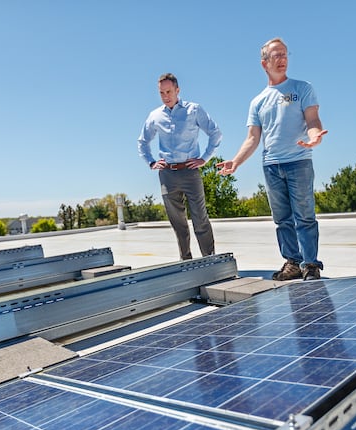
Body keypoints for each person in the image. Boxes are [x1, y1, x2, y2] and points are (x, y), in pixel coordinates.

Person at [216, 38, 327, 281]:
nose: (282, 59)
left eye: (285, 54)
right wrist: (235, 162)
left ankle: (310, 264)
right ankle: (293, 262)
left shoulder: (302, 88)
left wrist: (315, 137)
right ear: (264, 63)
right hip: (272, 166)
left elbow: (312, 120)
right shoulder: (257, 101)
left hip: (299, 162)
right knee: (282, 219)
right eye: (276, 55)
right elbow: (252, 138)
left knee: (305, 216)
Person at [138, 73, 222, 260]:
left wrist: (205, 158)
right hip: (167, 174)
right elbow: (142, 141)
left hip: (190, 171)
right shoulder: (155, 116)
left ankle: (210, 259)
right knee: (178, 222)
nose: (165, 96)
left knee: (200, 218)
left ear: (177, 90)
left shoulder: (194, 110)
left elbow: (215, 133)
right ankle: (186, 260)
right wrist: (151, 162)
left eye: (168, 91)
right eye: (161, 93)